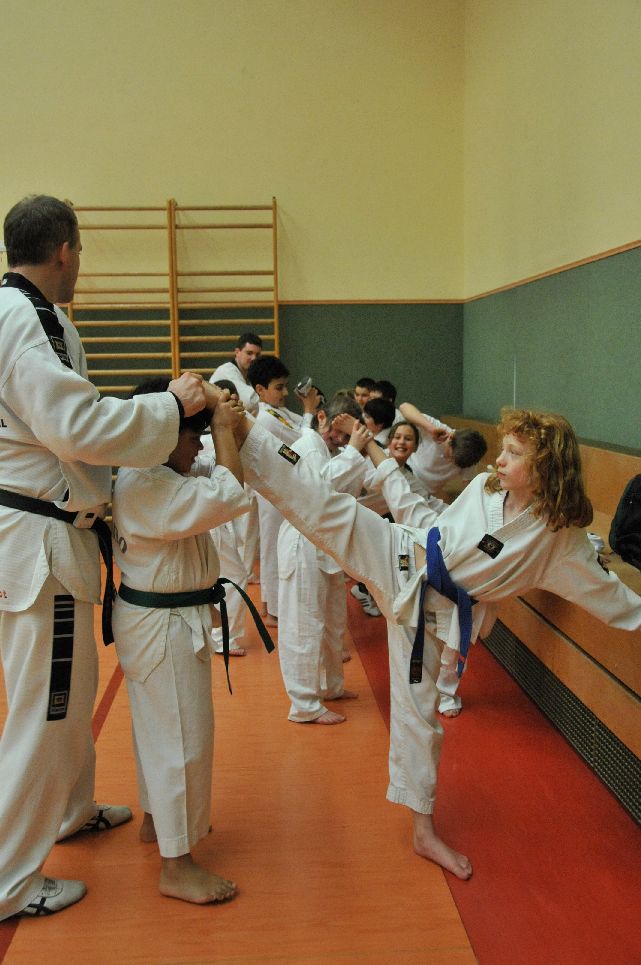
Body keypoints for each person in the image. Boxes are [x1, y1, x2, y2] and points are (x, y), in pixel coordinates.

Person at [231, 405, 641, 881]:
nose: (499, 460)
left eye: (513, 453)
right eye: (503, 450)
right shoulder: (485, 488)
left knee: (419, 719)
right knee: (328, 507)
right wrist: (389, 474)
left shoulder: (557, 542)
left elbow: (611, 597)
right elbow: (432, 524)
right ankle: (244, 433)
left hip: (428, 617)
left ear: (546, 466)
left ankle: (422, 832)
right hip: (401, 554)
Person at [0, 195, 208, 919]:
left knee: (66, 691)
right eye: (80, 252)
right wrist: (170, 407)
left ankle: (69, 808)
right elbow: (75, 426)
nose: (80, 264)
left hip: (40, 534)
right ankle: (9, 881)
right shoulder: (27, 320)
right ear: (65, 249)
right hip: (41, 539)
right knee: (46, 709)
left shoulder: (22, 313)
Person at [111, 379, 247, 905]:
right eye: (193, 438)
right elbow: (230, 494)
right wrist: (222, 425)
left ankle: (157, 821)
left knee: (158, 732)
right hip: (163, 627)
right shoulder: (149, 485)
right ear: (164, 437)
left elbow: (219, 474)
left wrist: (218, 412)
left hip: (156, 621)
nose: (199, 448)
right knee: (182, 740)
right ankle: (177, 864)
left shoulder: (156, 472)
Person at [277, 396, 370, 724]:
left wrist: (355, 450)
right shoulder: (308, 445)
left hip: (326, 544)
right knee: (304, 625)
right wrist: (354, 450)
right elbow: (318, 491)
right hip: (302, 542)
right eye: (337, 430)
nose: (340, 438)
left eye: (346, 434)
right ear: (320, 417)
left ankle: (331, 686)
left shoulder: (329, 451)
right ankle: (304, 704)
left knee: (333, 622)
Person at [247, 355, 320, 625]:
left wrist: (309, 409)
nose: (285, 392)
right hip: (271, 489)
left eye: (285, 386)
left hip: (281, 486)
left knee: (275, 547)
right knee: (273, 549)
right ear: (260, 390)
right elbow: (302, 439)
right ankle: (274, 609)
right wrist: (309, 411)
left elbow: (303, 425)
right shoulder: (266, 419)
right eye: (279, 387)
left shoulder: (279, 412)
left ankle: (271, 605)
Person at [210, 333, 263, 583]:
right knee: (237, 518)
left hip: (231, 444)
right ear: (237, 352)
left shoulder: (244, 377)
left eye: (257, 355)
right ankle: (240, 570)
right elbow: (252, 401)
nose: (253, 358)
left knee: (244, 518)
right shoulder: (227, 372)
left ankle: (244, 569)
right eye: (249, 353)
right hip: (218, 444)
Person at [204, 379, 251, 657]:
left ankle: (219, 634)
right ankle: (223, 636)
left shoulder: (225, 434)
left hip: (217, 515)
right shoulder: (211, 438)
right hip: (213, 516)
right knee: (235, 576)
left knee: (225, 575)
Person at [400, 402, 488, 497]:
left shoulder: (468, 458)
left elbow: (470, 487)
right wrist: (430, 428)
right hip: (403, 477)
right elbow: (404, 407)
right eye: (450, 456)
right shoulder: (438, 429)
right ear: (450, 439)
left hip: (424, 495)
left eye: (454, 462)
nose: (449, 461)